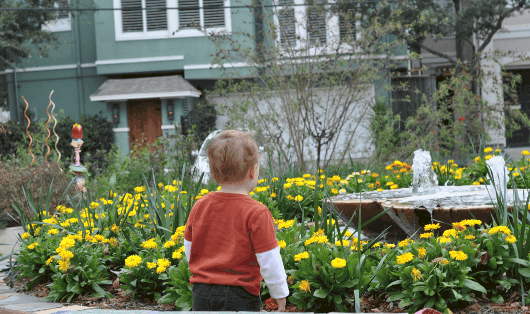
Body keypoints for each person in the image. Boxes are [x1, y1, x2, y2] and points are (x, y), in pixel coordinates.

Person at [184, 130, 289, 312]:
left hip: (202, 293)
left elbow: (189, 247)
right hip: (240, 295)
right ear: (252, 172)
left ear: (213, 174)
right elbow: (269, 259)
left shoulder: (200, 206)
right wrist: (279, 293)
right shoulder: (257, 213)